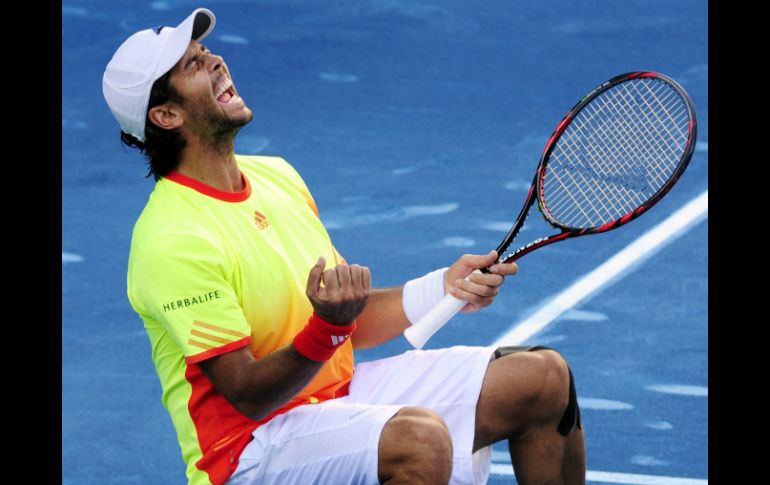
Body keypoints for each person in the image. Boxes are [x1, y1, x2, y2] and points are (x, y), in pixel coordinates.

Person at [102, 8, 585, 485]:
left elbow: (344, 320)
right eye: (192, 65)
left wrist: (443, 287)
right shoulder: (172, 239)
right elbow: (246, 393)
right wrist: (327, 330)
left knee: (542, 380)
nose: (216, 61)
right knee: (419, 442)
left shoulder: (276, 175)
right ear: (166, 115)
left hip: (334, 395)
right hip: (246, 450)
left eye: (206, 51)